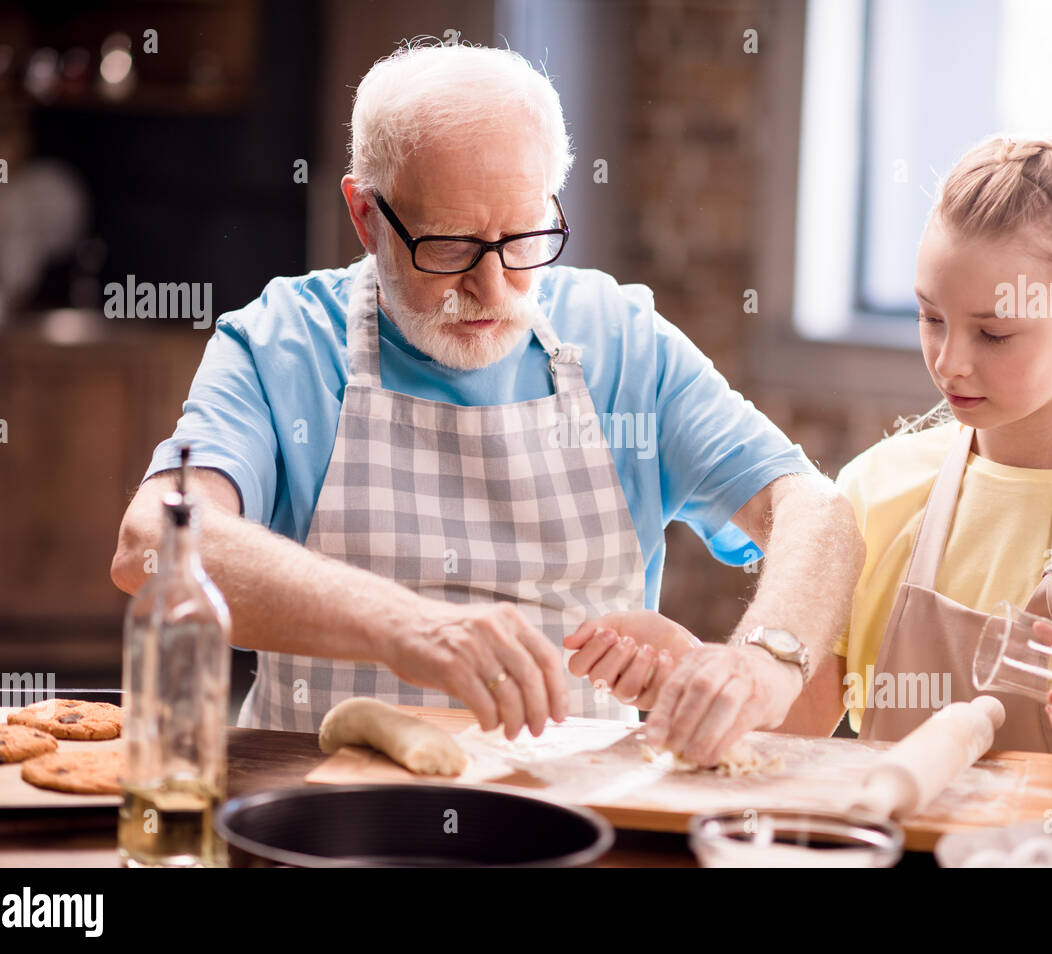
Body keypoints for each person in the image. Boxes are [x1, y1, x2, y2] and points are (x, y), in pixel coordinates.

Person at [110, 41, 864, 760]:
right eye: (449, 247)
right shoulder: (285, 343)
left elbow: (814, 511)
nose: (494, 289)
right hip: (314, 808)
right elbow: (150, 542)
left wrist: (765, 660)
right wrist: (407, 626)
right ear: (366, 216)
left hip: (579, 813)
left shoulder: (622, 342)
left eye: (524, 237)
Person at [587, 136, 1052, 792]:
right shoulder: (876, 489)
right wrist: (696, 677)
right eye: (931, 317)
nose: (950, 361)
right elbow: (798, 726)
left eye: (993, 332)